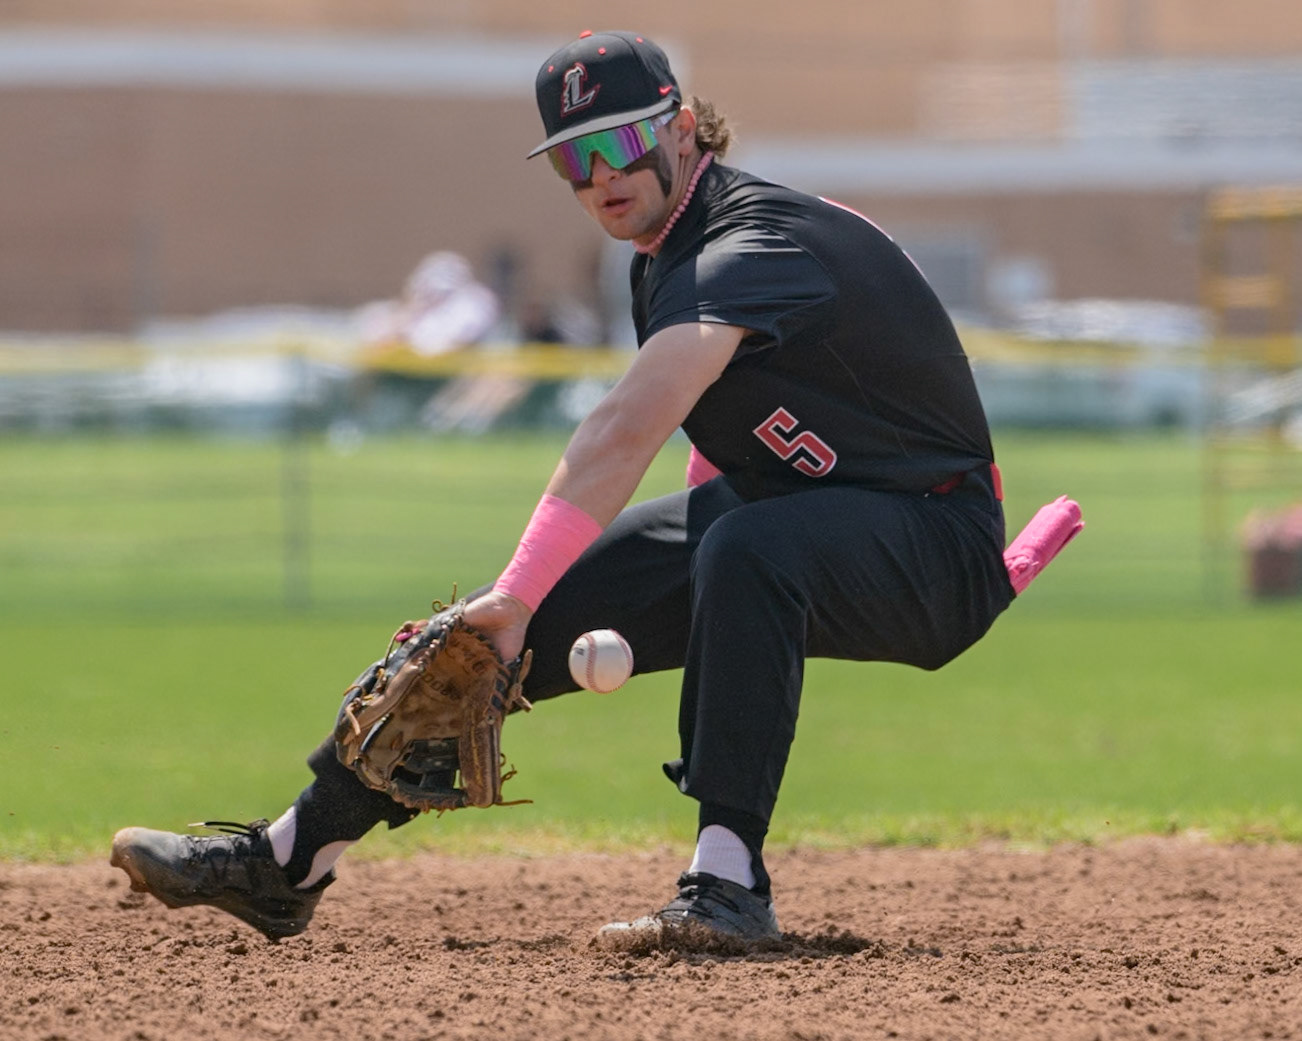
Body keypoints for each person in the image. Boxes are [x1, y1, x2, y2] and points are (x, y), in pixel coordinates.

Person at [110, 30, 1014, 943]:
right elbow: (730, 442)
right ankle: (289, 859)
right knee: (493, 642)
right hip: (804, 519)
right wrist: (517, 609)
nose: (599, 177)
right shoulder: (663, 253)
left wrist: (525, 583)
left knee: (727, 551)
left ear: (685, 126)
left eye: (619, 143)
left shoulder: (748, 242)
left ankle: (728, 881)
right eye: (573, 162)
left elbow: (624, 429)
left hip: (937, 543)